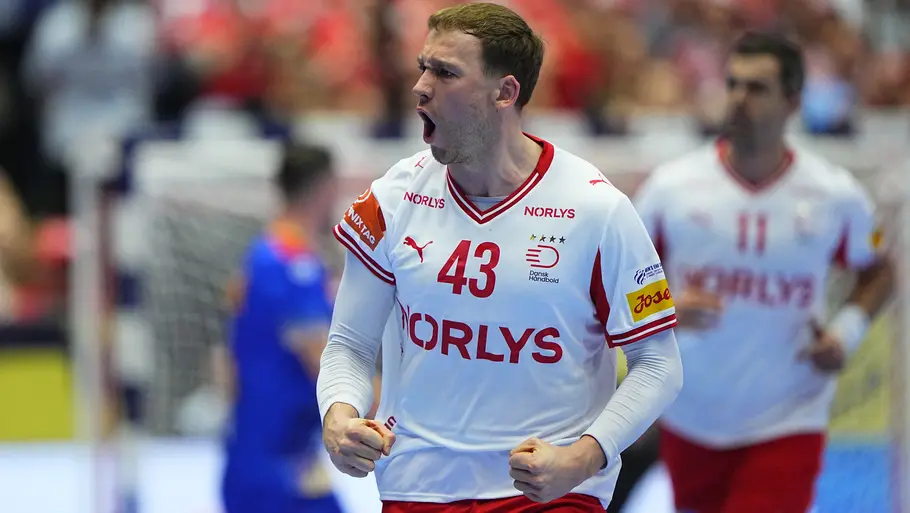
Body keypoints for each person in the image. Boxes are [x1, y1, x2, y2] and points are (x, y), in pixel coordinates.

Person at [317, 3, 683, 512]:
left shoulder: (597, 210)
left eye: (445, 73)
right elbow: (350, 346)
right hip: (418, 486)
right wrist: (338, 418)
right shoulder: (391, 199)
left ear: (505, 93)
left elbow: (659, 363)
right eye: (423, 67)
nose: (420, 87)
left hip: (548, 493)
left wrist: (582, 458)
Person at [633, 31, 894, 513]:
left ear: (793, 101)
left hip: (789, 416)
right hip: (692, 414)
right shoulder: (672, 189)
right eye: (732, 84)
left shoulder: (833, 195)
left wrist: (846, 332)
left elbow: (879, 271)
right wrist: (661, 308)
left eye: (756, 88)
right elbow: (613, 278)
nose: (738, 98)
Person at [218, 143, 344, 513]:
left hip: (268, 457)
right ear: (325, 187)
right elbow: (323, 364)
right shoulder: (291, 262)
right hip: (277, 470)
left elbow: (226, 367)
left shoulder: (261, 255)